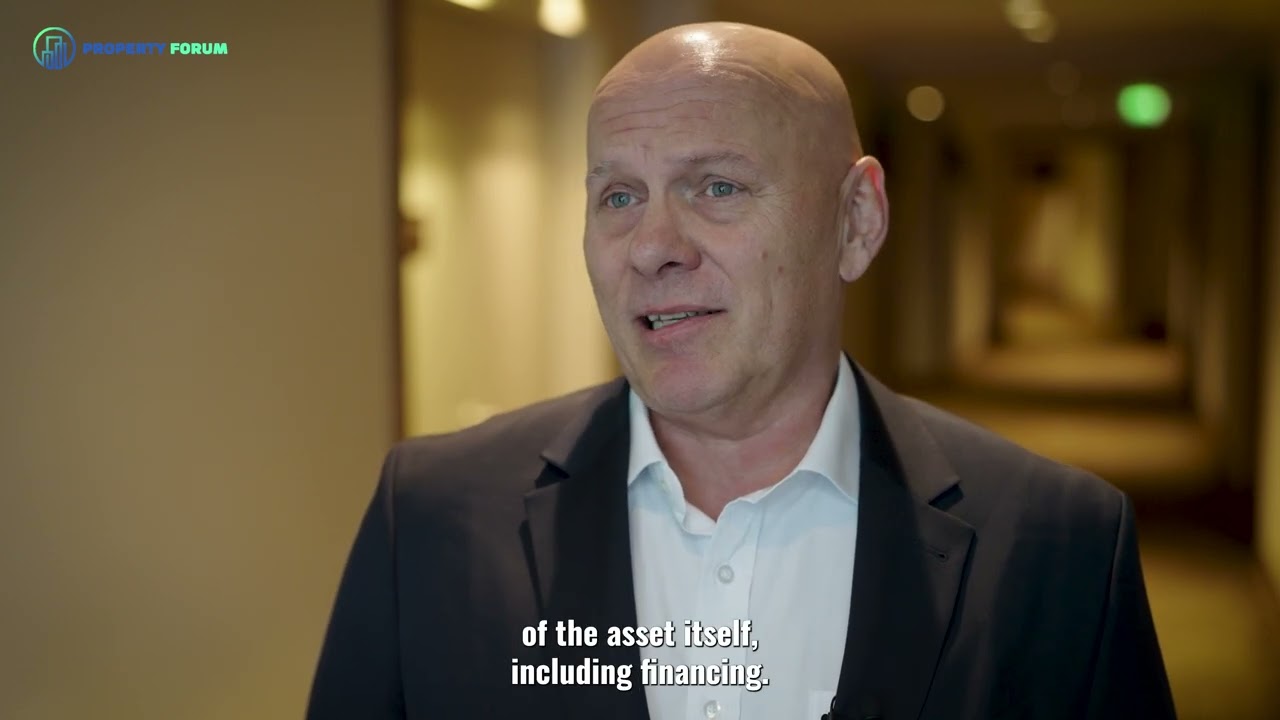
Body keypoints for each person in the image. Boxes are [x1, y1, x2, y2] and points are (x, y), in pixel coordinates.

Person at [306, 22, 1176, 720]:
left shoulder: (1060, 547)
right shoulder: (431, 518)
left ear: (857, 220)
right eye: (618, 196)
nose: (652, 247)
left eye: (716, 187)